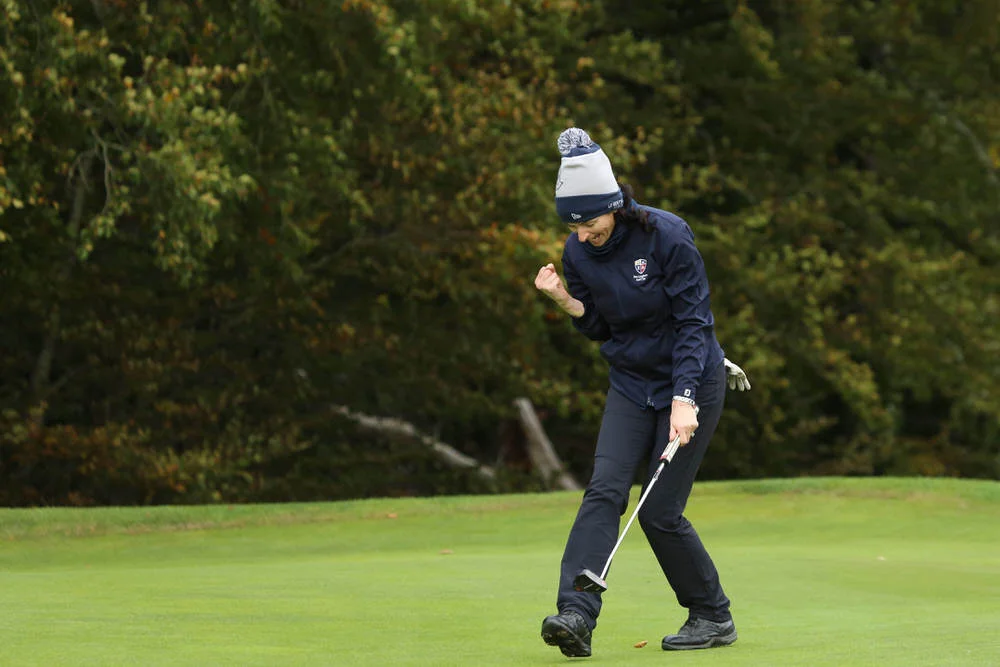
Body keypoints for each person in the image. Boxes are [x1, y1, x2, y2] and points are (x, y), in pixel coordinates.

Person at [534, 128, 751, 658]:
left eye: (589, 223)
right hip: (632, 384)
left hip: (694, 377)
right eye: (573, 226)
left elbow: (694, 323)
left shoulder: (668, 236)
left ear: (613, 206)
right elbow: (601, 328)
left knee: (658, 510)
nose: (582, 235)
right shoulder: (578, 250)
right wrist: (564, 299)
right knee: (605, 490)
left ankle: (710, 614)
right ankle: (576, 615)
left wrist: (685, 398)